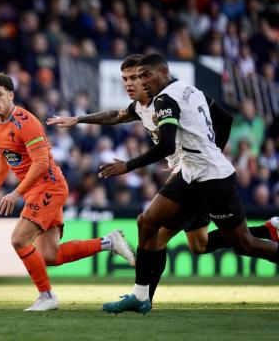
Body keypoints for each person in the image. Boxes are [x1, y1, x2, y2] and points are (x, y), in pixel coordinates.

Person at [46, 54, 279, 303]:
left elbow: (172, 142)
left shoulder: (166, 101)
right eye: (126, 78)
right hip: (191, 175)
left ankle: (143, 298)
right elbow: (117, 115)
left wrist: (204, 154)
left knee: (158, 232)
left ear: (153, 75)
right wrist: (79, 119)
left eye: (137, 77)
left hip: (202, 177)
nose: (131, 83)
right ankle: (266, 229)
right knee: (198, 245)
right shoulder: (153, 102)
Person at [0, 72, 135, 311]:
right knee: (49, 256)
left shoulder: (26, 123)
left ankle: (47, 296)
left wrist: (15, 193)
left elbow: (40, 164)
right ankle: (108, 242)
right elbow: (4, 156)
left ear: (11, 95)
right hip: (35, 191)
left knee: (19, 239)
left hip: (49, 186)